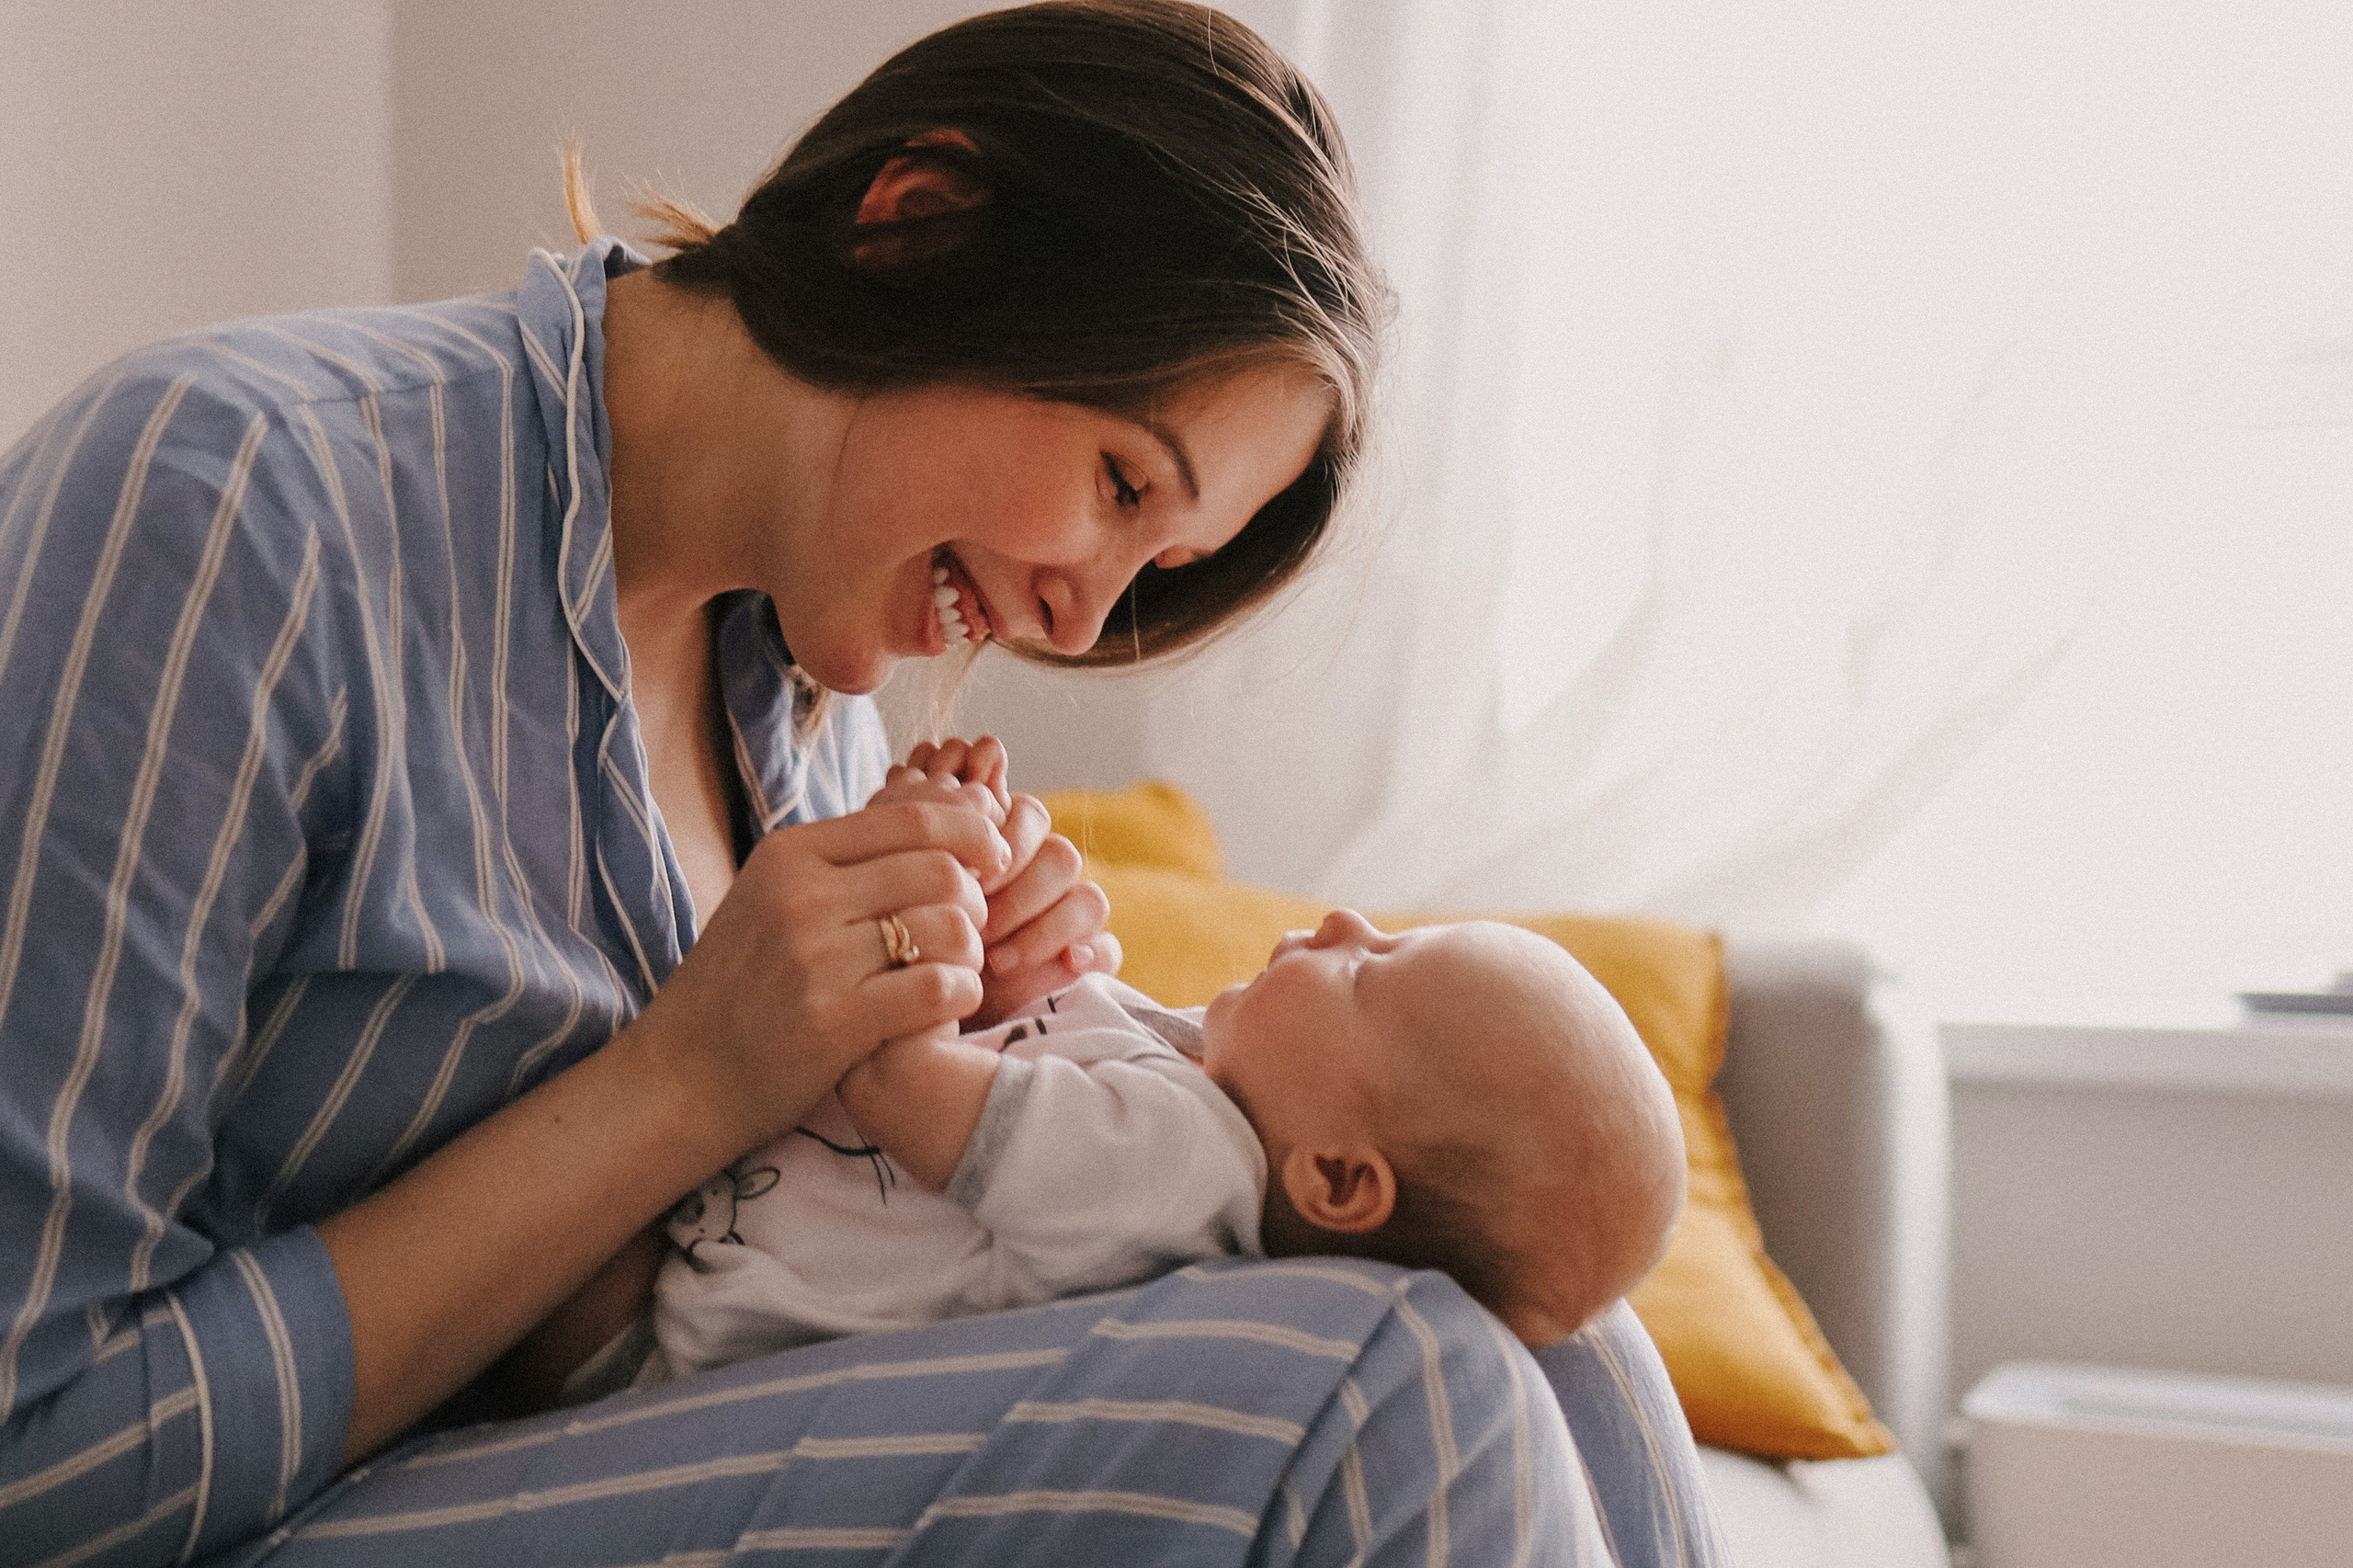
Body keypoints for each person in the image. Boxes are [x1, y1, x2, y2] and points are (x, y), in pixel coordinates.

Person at [0, 5, 1727, 1565]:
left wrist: (996, 1013)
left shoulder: (812, 704)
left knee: (1568, 1347)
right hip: (241, 1512)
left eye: (1157, 559)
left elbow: (791, 1288)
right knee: (1409, 1390)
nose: (1081, 619)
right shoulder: (233, 509)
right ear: (921, 224)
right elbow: (32, 1455)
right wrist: (694, 1077)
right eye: (1122, 484)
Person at [576, 750, 1687, 1392]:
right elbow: (1028, 1038)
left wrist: (914, 856)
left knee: (574, 1031)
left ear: (1339, 1179)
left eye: (1371, 973)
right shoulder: (1201, 1086)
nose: (1346, 921)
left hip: (676, 1338)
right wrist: (1015, 952)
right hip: (711, 1259)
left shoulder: (1175, 1168)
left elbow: (895, 1079)